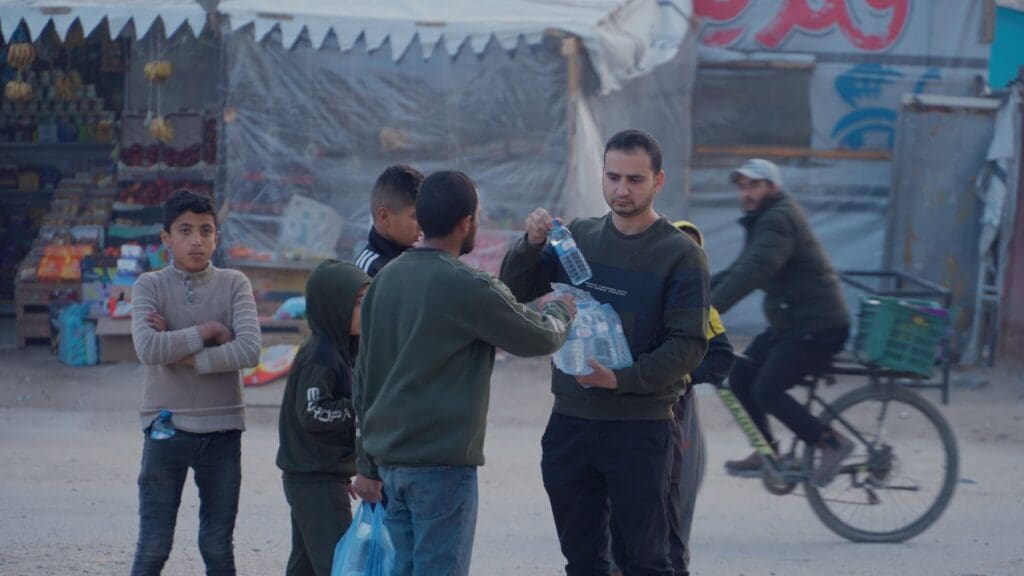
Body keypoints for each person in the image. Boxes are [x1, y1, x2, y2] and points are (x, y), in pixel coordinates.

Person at [500, 129, 709, 576]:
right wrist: (531, 244)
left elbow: (689, 343)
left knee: (647, 561)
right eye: (613, 177)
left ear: (658, 181)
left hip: (640, 430)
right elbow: (516, 291)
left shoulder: (679, 254)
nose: (622, 189)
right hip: (571, 423)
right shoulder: (578, 237)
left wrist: (623, 379)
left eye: (635, 179)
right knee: (582, 560)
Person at [352, 170, 577, 576]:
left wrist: (367, 465)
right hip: (441, 470)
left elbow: (364, 377)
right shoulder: (468, 286)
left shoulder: (385, 279)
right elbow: (540, 338)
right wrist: (562, 309)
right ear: (465, 223)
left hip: (390, 466)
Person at [130, 190, 262, 576]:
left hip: (222, 430)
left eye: (206, 231)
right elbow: (147, 348)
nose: (197, 240)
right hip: (165, 427)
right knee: (154, 546)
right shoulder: (149, 286)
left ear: (216, 237)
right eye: (185, 231)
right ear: (166, 238)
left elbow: (250, 350)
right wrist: (210, 330)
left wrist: (184, 353)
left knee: (218, 547)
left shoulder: (235, 283)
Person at [711, 158, 853, 487]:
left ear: (772, 188)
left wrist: (709, 310)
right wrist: (695, 290)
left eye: (754, 185)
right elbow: (738, 269)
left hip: (818, 327)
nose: (746, 193)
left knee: (767, 389)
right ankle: (768, 452)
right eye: (743, 187)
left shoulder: (778, 220)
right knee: (742, 374)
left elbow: (753, 272)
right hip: (793, 324)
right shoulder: (762, 219)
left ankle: (832, 442)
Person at [276, 260, 370, 576]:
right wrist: (359, 407)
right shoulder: (321, 356)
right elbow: (313, 413)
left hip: (320, 474)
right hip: (313, 478)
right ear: (334, 306)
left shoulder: (344, 348)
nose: (365, 309)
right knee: (338, 565)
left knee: (304, 565)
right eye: (357, 303)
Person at [667, 220, 735, 576]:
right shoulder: (642, 292)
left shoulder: (703, 307)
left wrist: (685, 375)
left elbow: (721, 356)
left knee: (675, 513)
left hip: (680, 423)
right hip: (632, 419)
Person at [356, 164, 425, 277]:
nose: (422, 225)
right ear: (384, 217)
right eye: (415, 216)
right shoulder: (368, 271)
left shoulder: (417, 259)